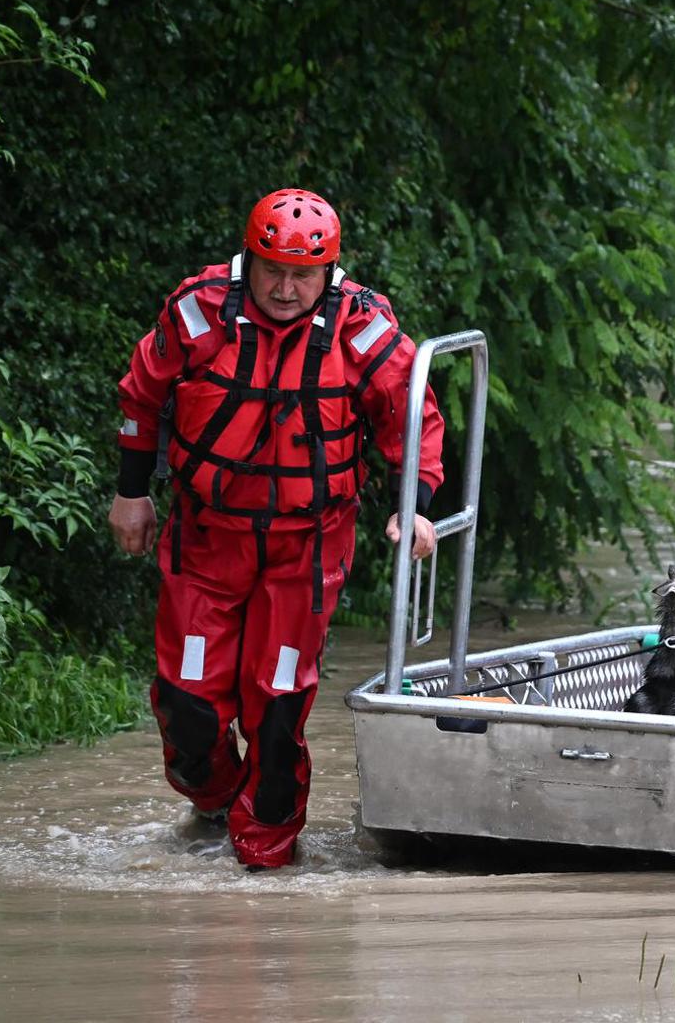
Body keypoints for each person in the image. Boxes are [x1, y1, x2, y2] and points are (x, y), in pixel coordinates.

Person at [107, 188, 445, 870]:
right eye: (273, 271)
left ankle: (264, 872)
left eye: (303, 275)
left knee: (278, 704)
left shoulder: (361, 329)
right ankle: (213, 803)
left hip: (308, 549)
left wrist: (418, 503)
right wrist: (131, 494)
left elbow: (415, 419)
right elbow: (142, 395)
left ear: (328, 274)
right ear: (250, 259)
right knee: (188, 702)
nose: (286, 289)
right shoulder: (199, 312)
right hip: (207, 539)